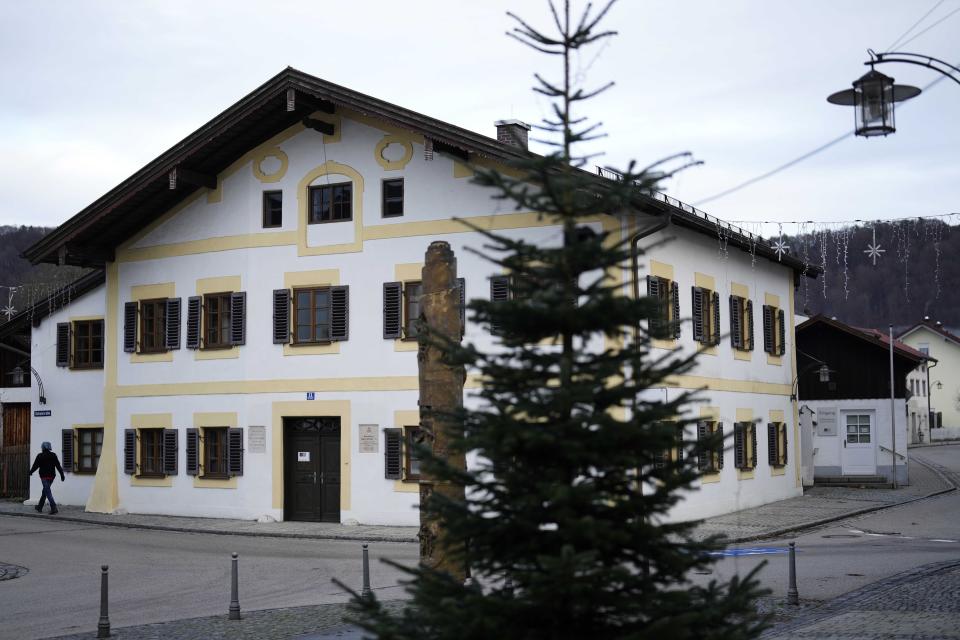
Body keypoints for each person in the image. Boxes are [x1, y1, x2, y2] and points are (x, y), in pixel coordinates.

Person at [29, 441, 65, 515]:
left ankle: (53, 507)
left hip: (44, 477)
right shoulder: (53, 455)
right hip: (52, 476)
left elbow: (35, 466)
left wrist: (31, 472)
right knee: (45, 491)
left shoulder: (40, 456)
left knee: (47, 491)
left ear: (43, 447)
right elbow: (58, 466)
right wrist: (62, 475)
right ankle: (39, 506)